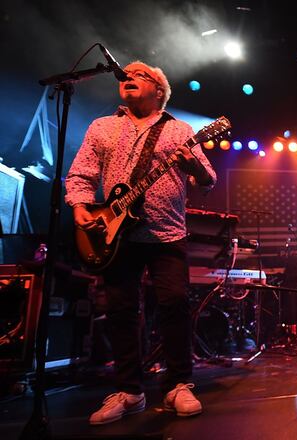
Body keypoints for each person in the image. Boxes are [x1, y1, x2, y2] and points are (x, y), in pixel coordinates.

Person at [65, 61, 216, 425]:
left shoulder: (180, 130)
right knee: (120, 310)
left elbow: (207, 178)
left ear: (159, 91)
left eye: (140, 75)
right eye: (126, 75)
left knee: (175, 304)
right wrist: (80, 208)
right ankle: (130, 391)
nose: (129, 78)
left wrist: (191, 165)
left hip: (167, 233)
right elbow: (81, 174)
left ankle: (179, 384)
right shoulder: (103, 127)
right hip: (115, 234)